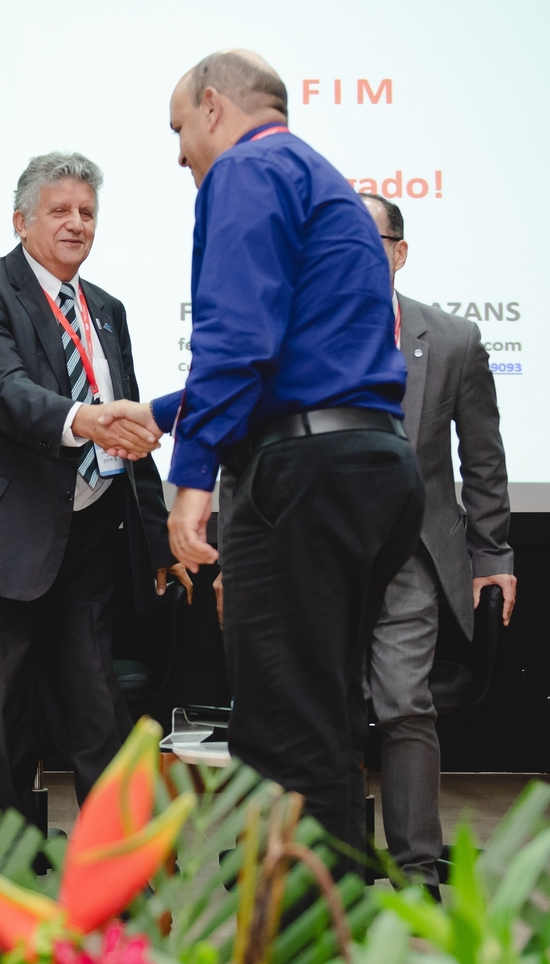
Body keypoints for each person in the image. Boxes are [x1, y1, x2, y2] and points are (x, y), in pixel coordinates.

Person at [162, 51, 424, 858]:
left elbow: (237, 338)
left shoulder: (246, 169)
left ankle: (299, 930)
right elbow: (296, 356)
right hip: (370, 466)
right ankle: (335, 921)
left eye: (179, 128)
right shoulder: (323, 181)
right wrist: (158, 414)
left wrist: (191, 479)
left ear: (214, 106)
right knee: (322, 717)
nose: (180, 154)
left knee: (279, 731)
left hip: (304, 478)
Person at [0, 152, 184, 821]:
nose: (76, 223)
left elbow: (129, 428)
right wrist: (84, 419)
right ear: (21, 221)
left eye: (87, 212)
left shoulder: (107, 309)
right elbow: (2, 392)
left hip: (87, 538)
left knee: (99, 711)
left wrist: (157, 539)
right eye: (60, 210)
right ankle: (1, 870)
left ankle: (116, 865)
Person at [357, 192, 515, 891]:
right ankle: (329, 862)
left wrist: (494, 556)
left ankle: (415, 868)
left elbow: (482, 460)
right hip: (324, 556)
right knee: (325, 710)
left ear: (399, 252)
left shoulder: (451, 340)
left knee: (403, 702)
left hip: (413, 553)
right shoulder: (299, 331)